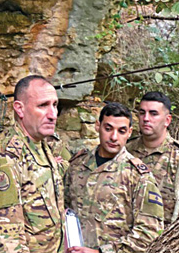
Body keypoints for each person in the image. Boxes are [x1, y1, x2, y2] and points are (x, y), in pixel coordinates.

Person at [0, 75, 66, 253]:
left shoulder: (42, 145)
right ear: (20, 109)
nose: (53, 115)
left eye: (55, 105)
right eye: (43, 105)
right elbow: (5, 240)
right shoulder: (4, 158)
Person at [65, 102, 164, 253]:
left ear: (129, 132)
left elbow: (149, 232)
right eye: (108, 128)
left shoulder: (138, 176)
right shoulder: (77, 165)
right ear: (98, 126)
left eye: (121, 131)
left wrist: (101, 252)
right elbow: (63, 211)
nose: (114, 137)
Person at [125, 92, 179, 226]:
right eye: (142, 113)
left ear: (167, 120)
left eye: (153, 114)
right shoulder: (126, 150)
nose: (146, 118)